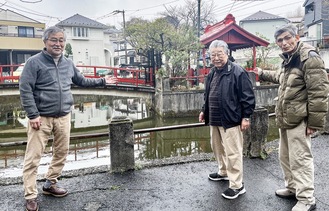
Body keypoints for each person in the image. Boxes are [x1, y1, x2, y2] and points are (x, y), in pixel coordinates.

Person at [19, 26, 117, 211]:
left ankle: (50, 184)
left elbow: (81, 80)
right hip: (41, 118)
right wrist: (33, 115)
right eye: (54, 40)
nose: (58, 44)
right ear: (45, 42)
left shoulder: (67, 63)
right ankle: (30, 195)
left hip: (63, 116)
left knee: (61, 152)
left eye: (61, 40)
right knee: (33, 157)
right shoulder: (34, 62)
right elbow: (25, 90)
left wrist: (102, 81)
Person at [257, 24, 329, 211]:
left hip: (300, 118)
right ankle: (292, 187)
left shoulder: (309, 58)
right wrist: (262, 73)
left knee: (300, 159)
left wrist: (314, 123)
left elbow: (319, 93)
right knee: (285, 156)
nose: (284, 43)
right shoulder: (289, 59)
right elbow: (281, 78)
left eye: (287, 38)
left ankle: (306, 198)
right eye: (280, 40)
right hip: (286, 117)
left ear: (297, 37)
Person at [199, 40, 255, 200]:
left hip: (231, 119)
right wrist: (204, 110)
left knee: (233, 152)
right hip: (215, 119)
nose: (216, 58)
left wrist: (246, 116)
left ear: (227, 53)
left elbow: (248, 96)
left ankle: (237, 185)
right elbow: (208, 94)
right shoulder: (212, 72)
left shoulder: (237, 71)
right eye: (213, 55)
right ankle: (223, 172)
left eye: (219, 54)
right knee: (217, 148)